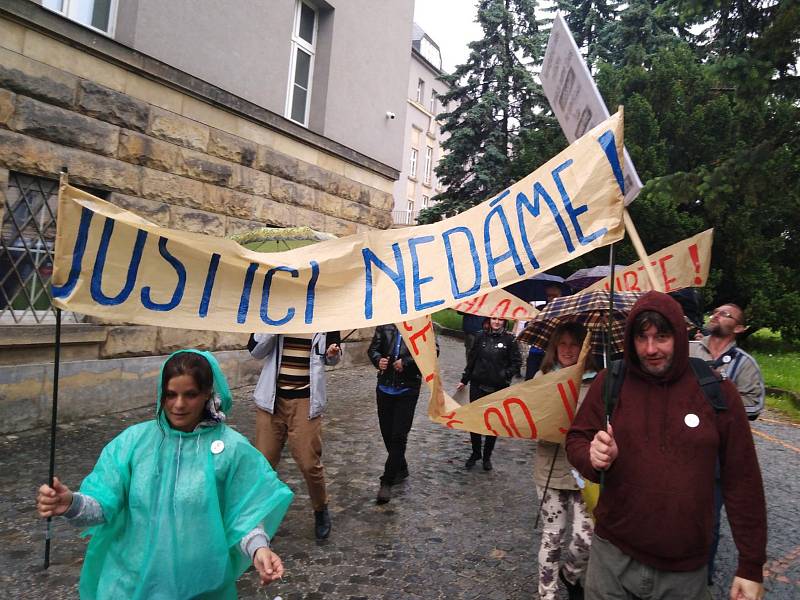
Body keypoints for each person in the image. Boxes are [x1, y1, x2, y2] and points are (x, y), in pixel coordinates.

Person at [36, 350, 293, 599]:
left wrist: (259, 549)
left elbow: (244, 514)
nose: (178, 405)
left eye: (190, 395)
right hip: (130, 582)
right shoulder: (133, 443)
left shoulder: (233, 449)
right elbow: (104, 504)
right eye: (170, 394)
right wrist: (70, 503)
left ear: (206, 394)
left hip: (200, 584)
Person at [566, 291, 767, 600]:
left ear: (680, 334)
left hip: (684, 573)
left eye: (661, 337)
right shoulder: (611, 381)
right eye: (642, 338)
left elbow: (743, 480)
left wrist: (750, 565)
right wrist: (592, 457)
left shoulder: (717, 392)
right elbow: (576, 439)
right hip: (611, 558)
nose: (650, 349)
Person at [690, 302, 766, 585]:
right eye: (715, 312)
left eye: (726, 314)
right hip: (681, 448)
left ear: (739, 328)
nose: (716, 316)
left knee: (708, 520)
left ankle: (701, 580)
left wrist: (719, 402)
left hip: (717, 457)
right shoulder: (689, 349)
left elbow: (754, 406)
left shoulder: (745, 364)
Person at [249, 330, 340, 540]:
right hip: (271, 400)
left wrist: (333, 353)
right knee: (263, 464)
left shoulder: (327, 317)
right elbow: (256, 351)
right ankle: (255, 517)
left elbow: (331, 357)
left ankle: (320, 509)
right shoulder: (273, 314)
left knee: (309, 463)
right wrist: (273, 327)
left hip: (305, 401)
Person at [533, 323, 596, 600]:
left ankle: (570, 574)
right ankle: (546, 593)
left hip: (585, 470)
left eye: (575, 344)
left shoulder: (598, 382)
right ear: (554, 348)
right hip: (551, 468)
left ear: (585, 347)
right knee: (553, 536)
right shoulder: (543, 377)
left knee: (586, 536)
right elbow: (530, 420)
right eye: (563, 344)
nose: (569, 351)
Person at [367, 323, 437, 504]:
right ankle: (401, 466)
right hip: (384, 387)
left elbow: (433, 351)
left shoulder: (422, 324)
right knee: (387, 433)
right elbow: (373, 349)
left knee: (399, 436)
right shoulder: (385, 324)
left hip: (408, 389)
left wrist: (406, 363)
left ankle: (387, 481)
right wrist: (378, 359)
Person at [456, 317, 521, 471]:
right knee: (475, 421)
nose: (496, 322)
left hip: (498, 388)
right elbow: (472, 360)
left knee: (493, 423)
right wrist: (464, 380)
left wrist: (505, 375)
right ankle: (476, 452)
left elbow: (517, 362)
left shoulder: (510, 340)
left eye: (500, 319)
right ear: (489, 320)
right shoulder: (480, 336)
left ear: (505, 322)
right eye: (494, 319)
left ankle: (487, 456)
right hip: (477, 385)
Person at [524, 283, 563, 380]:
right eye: (549, 295)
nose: (551, 298)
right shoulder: (539, 309)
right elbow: (527, 327)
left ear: (560, 295)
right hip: (536, 351)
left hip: (554, 352)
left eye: (554, 295)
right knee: (530, 381)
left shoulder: (564, 311)